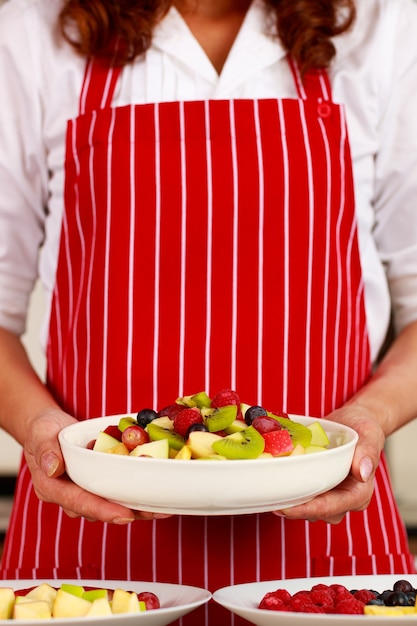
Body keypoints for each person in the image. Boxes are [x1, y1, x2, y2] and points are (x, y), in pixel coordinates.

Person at [1, 0, 417, 623]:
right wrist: (41, 434)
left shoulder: (385, 26)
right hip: (88, 545)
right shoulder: (30, 32)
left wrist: (370, 420)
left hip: (325, 550)